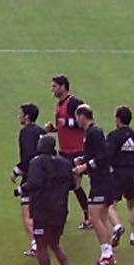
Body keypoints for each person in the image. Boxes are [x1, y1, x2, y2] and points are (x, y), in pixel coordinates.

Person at [21, 134, 81, 265]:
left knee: (41, 245)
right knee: (54, 243)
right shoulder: (64, 162)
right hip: (60, 209)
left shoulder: (37, 162)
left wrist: (21, 189)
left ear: (42, 147)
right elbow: (72, 185)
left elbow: (35, 183)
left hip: (42, 209)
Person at [75, 104, 119, 265]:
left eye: (77, 117)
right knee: (100, 218)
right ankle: (107, 254)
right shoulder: (91, 133)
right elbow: (94, 155)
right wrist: (82, 159)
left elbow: (102, 157)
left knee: (94, 217)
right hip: (102, 181)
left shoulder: (95, 132)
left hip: (102, 182)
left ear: (82, 116)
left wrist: (84, 167)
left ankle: (107, 254)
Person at [105, 105, 134, 247]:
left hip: (117, 173)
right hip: (132, 172)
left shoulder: (114, 136)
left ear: (118, 119)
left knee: (110, 204)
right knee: (132, 203)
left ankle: (117, 226)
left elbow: (107, 154)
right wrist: (133, 162)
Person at [50, 75, 91, 221]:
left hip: (76, 150)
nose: (52, 89)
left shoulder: (73, 103)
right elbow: (63, 125)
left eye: (54, 86)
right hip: (64, 151)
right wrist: (54, 128)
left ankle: (87, 215)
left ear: (63, 86)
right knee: (65, 183)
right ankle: (68, 213)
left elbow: (85, 121)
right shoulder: (60, 104)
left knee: (73, 183)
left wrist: (67, 122)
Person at [12, 102, 45, 257]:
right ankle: (43, 242)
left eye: (21, 113)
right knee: (39, 212)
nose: (19, 116)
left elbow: (28, 156)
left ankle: (35, 245)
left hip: (31, 176)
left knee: (27, 213)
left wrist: (16, 171)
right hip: (45, 176)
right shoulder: (41, 131)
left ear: (27, 116)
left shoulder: (25, 132)